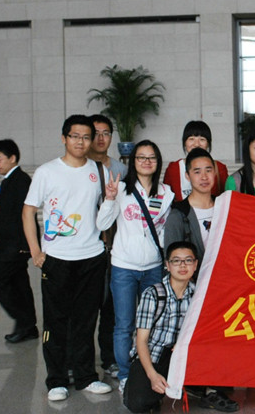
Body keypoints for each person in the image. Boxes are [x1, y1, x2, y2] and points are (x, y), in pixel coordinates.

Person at [22, 115, 113, 401]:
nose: (81, 142)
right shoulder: (47, 172)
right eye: (75, 136)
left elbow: (104, 212)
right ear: (64, 138)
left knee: (86, 320)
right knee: (56, 321)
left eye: (86, 137)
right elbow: (28, 211)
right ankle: (56, 380)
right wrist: (36, 252)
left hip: (91, 257)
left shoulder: (99, 171)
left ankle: (86, 376)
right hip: (57, 259)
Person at [162, 150, 238, 411]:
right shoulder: (179, 214)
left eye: (208, 170)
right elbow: (173, 259)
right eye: (197, 171)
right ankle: (208, 389)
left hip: (225, 287)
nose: (204, 177)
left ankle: (213, 381)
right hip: (195, 291)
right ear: (187, 176)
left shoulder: (226, 206)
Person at [96, 140, 174, 394]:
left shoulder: (166, 193)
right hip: (124, 267)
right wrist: (109, 199)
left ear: (158, 162)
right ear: (133, 162)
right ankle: (126, 374)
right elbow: (101, 224)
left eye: (151, 157)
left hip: (153, 268)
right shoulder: (121, 189)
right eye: (141, 157)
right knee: (124, 324)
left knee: (152, 324)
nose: (146, 162)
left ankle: (148, 370)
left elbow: (163, 232)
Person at [123, 241, 203, 413]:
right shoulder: (153, 294)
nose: (183, 265)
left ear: (196, 265)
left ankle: (197, 388)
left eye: (188, 260)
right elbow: (141, 341)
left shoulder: (199, 295)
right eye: (176, 261)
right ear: (167, 265)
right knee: (138, 403)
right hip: (155, 355)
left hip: (183, 356)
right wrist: (152, 375)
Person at [0, 139, 38, 344]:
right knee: (20, 285)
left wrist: (27, 246)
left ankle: (24, 321)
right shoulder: (9, 180)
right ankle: (29, 328)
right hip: (10, 245)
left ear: (12, 158)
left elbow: (26, 216)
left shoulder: (21, 181)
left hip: (15, 246)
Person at [88, 113, 128, 378]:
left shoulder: (121, 170)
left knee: (111, 307)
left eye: (106, 133)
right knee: (85, 307)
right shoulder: (81, 168)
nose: (101, 138)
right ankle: (79, 362)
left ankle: (110, 358)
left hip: (114, 247)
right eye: (96, 133)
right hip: (87, 246)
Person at [164, 121, 228, 202]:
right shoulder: (173, 169)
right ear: (184, 143)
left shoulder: (220, 168)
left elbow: (226, 199)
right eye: (191, 139)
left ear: (208, 143)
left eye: (202, 139)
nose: (197, 144)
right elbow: (166, 199)